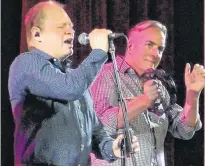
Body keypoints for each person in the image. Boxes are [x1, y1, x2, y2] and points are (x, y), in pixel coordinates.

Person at [8, 1, 139, 166]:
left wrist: (113, 147)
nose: (71, 31)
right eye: (61, 26)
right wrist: (98, 51)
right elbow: (70, 88)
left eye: (71, 26)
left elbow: (95, 133)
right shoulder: (25, 64)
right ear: (37, 35)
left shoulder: (75, 78)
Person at [90, 20, 205, 166]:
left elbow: (184, 129)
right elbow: (96, 126)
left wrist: (192, 95)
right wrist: (144, 101)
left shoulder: (158, 85)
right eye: (149, 45)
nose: (156, 53)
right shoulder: (106, 74)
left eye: (160, 48)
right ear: (130, 46)